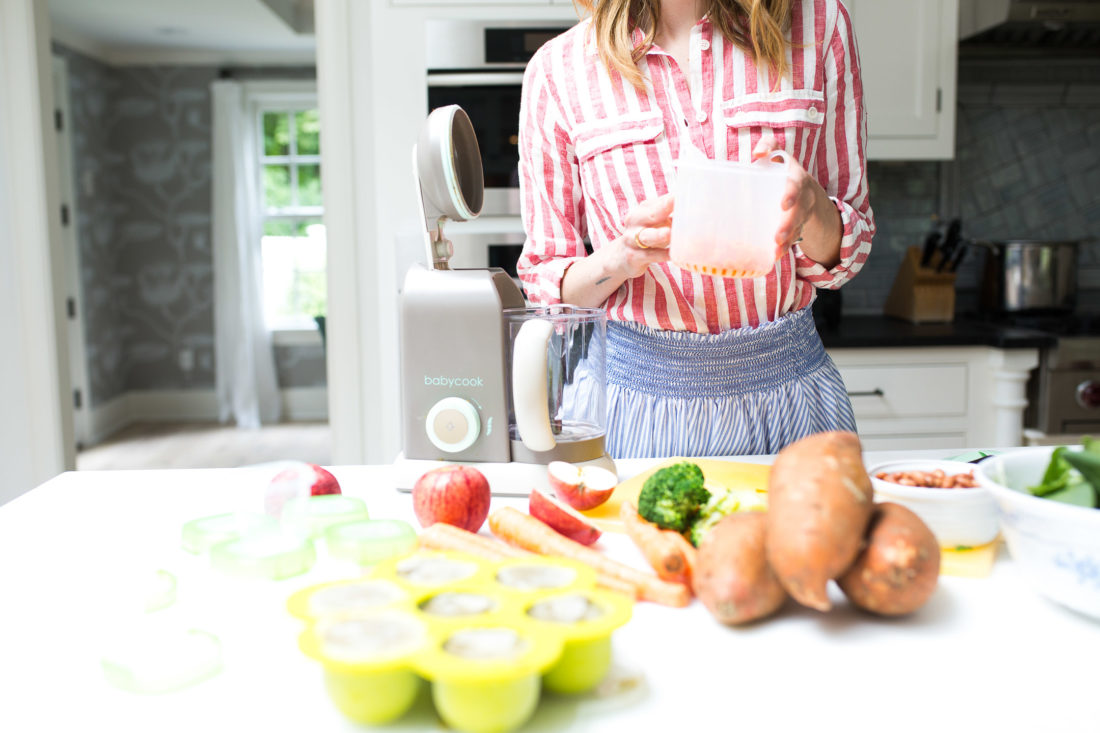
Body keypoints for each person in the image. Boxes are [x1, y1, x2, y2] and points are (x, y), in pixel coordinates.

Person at [515, 0, 874, 459]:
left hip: (793, 400)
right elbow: (550, 293)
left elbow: (849, 254)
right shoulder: (557, 70)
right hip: (631, 406)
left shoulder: (820, 25)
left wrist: (812, 210)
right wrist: (621, 258)